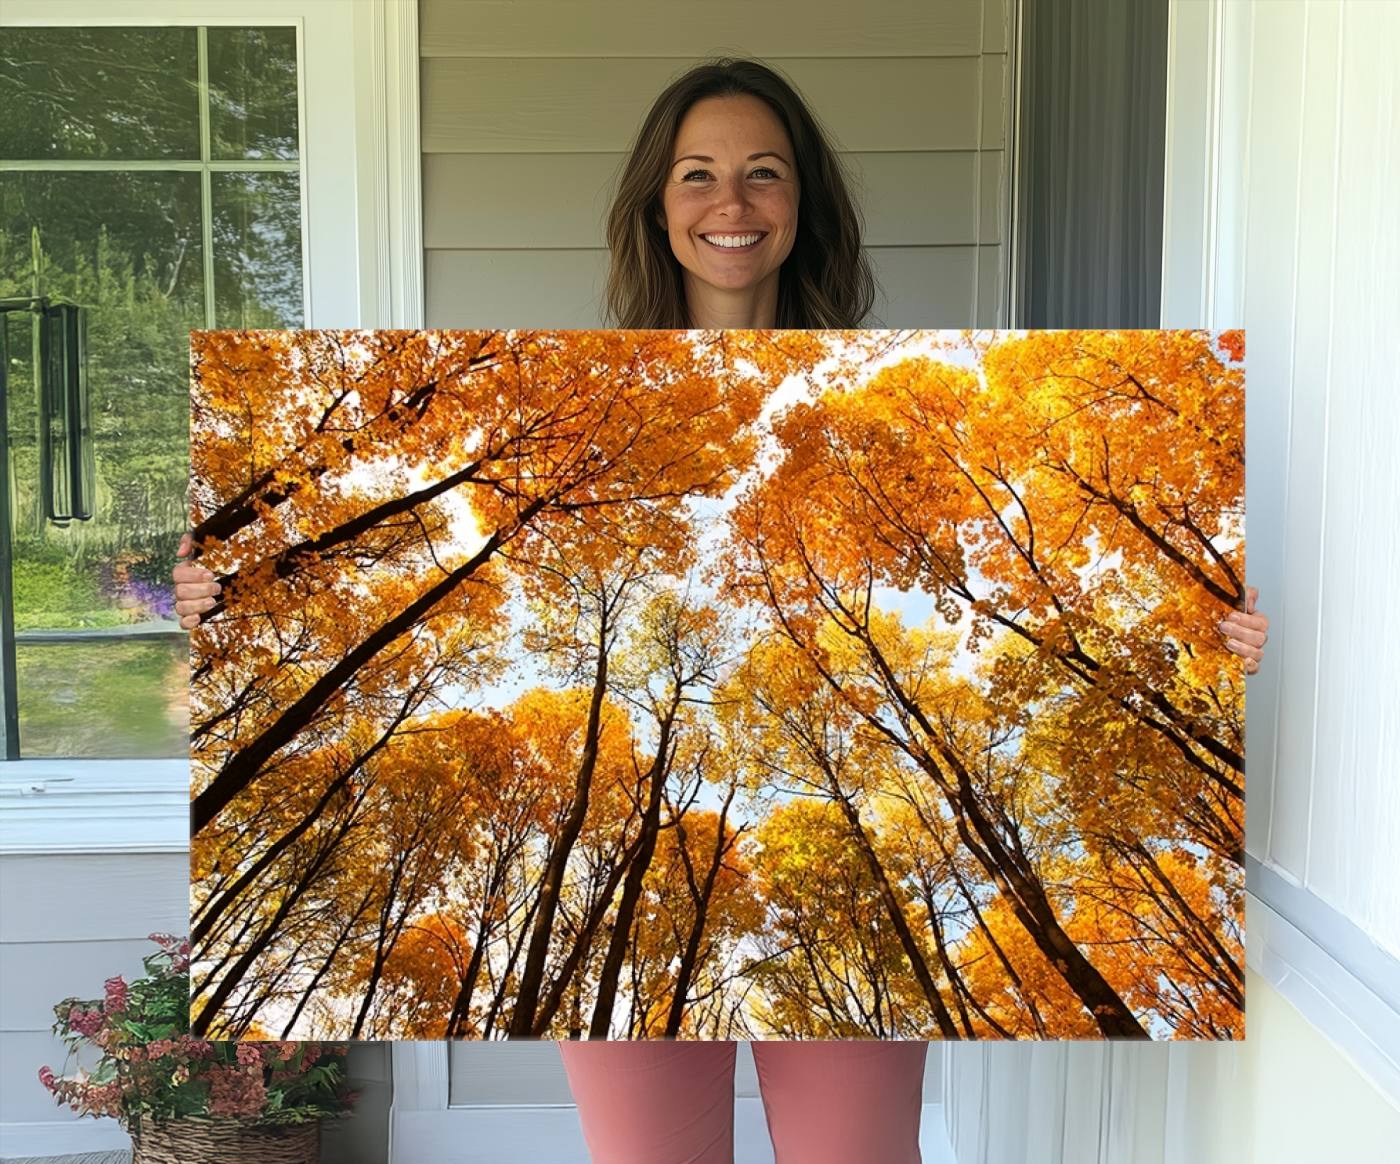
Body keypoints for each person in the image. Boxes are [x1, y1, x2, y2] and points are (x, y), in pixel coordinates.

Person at [173, 57, 1270, 1164]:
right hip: (608, 841)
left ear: (803, 205)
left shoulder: (921, 378)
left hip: (858, 849)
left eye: (762, 173)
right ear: (657, 205)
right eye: (696, 174)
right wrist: (216, 596)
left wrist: (1203, 631)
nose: (729, 203)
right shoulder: (571, 396)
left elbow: (1027, 587)